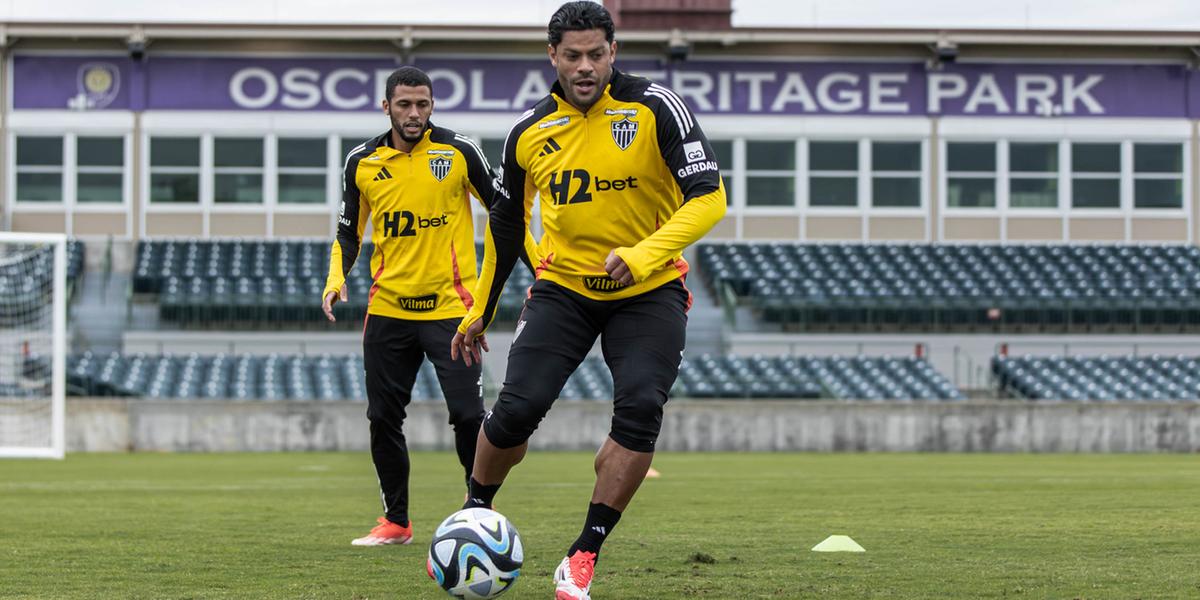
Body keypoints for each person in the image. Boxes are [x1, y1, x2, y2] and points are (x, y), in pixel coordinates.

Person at [450, 2, 727, 598]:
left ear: (613, 53)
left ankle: (584, 552)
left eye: (595, 54)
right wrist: (477, 312)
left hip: (648, 292)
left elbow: (709, 196)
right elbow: (504, 228)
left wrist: (647, 253)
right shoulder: (528, 133)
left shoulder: (656, 107)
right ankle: (474, 513)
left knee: (640, 409)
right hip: (564, 290)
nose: (584, 66)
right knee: (516, 410)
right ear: (552, 56)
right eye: (571, 55)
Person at [322, 66, 535, 546]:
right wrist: (336, 280)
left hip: (452, 311)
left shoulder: (459, 151)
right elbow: (347, 233)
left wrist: (541, 269)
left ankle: (479, 511)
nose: (414, 113)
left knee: (467, 415)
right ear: (386, 107)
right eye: (404, 105)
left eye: (422, 104)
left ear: (432, 105)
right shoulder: (362, 161)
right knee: (382, 417)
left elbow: (506, 214)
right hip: (388, 310)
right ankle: (395, 521)